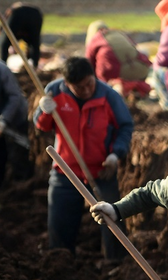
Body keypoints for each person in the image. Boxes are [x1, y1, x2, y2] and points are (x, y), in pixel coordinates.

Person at [34, 56, 133, 262]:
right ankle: (61, 262)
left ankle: (116, 265)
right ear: (67, 84)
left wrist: (116, 154)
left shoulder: (109, 96)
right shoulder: (55, 92)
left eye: (89, 83)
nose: (86, 90)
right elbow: (42, 126)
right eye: (79, 87)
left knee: (112, 218)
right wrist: (44, 112)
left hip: (101, 170)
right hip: (66, 171)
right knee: (60, 223)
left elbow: (125, 126)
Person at [85, 20, 151, 101]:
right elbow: (135, 49)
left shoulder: (95, 39)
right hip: (141, 70)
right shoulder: (118, 34)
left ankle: (117, 88)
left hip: (115, 73)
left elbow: (88, 64)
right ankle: (134, 90)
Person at [0, 57, 32, 187]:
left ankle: (22, 184)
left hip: (15, 116)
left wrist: (4, 120)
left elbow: (14, 96)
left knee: (18, 153)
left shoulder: (0, 70)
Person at [0, 3, 43, 68]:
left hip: (19, 14)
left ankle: (2, 65)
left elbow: (3, 40)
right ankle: (33, 66)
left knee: (5, 41)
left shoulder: (5, 25)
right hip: (36, 14)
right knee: (34, 43)